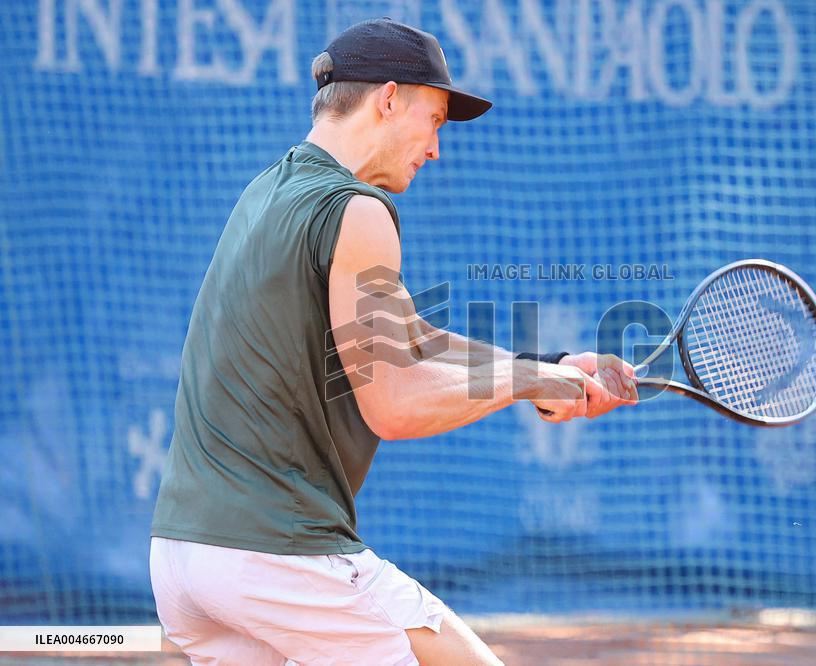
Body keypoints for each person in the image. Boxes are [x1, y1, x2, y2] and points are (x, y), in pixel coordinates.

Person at [150, 18, 638, 666]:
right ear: (387, 100)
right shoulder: (358, 210)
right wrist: (530, 383)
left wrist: (546, 366)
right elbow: (396, 404)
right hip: (276, 553)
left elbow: (414, 339)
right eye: (433, 120)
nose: (435, 148)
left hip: (184, 555)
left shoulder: (268, 192)